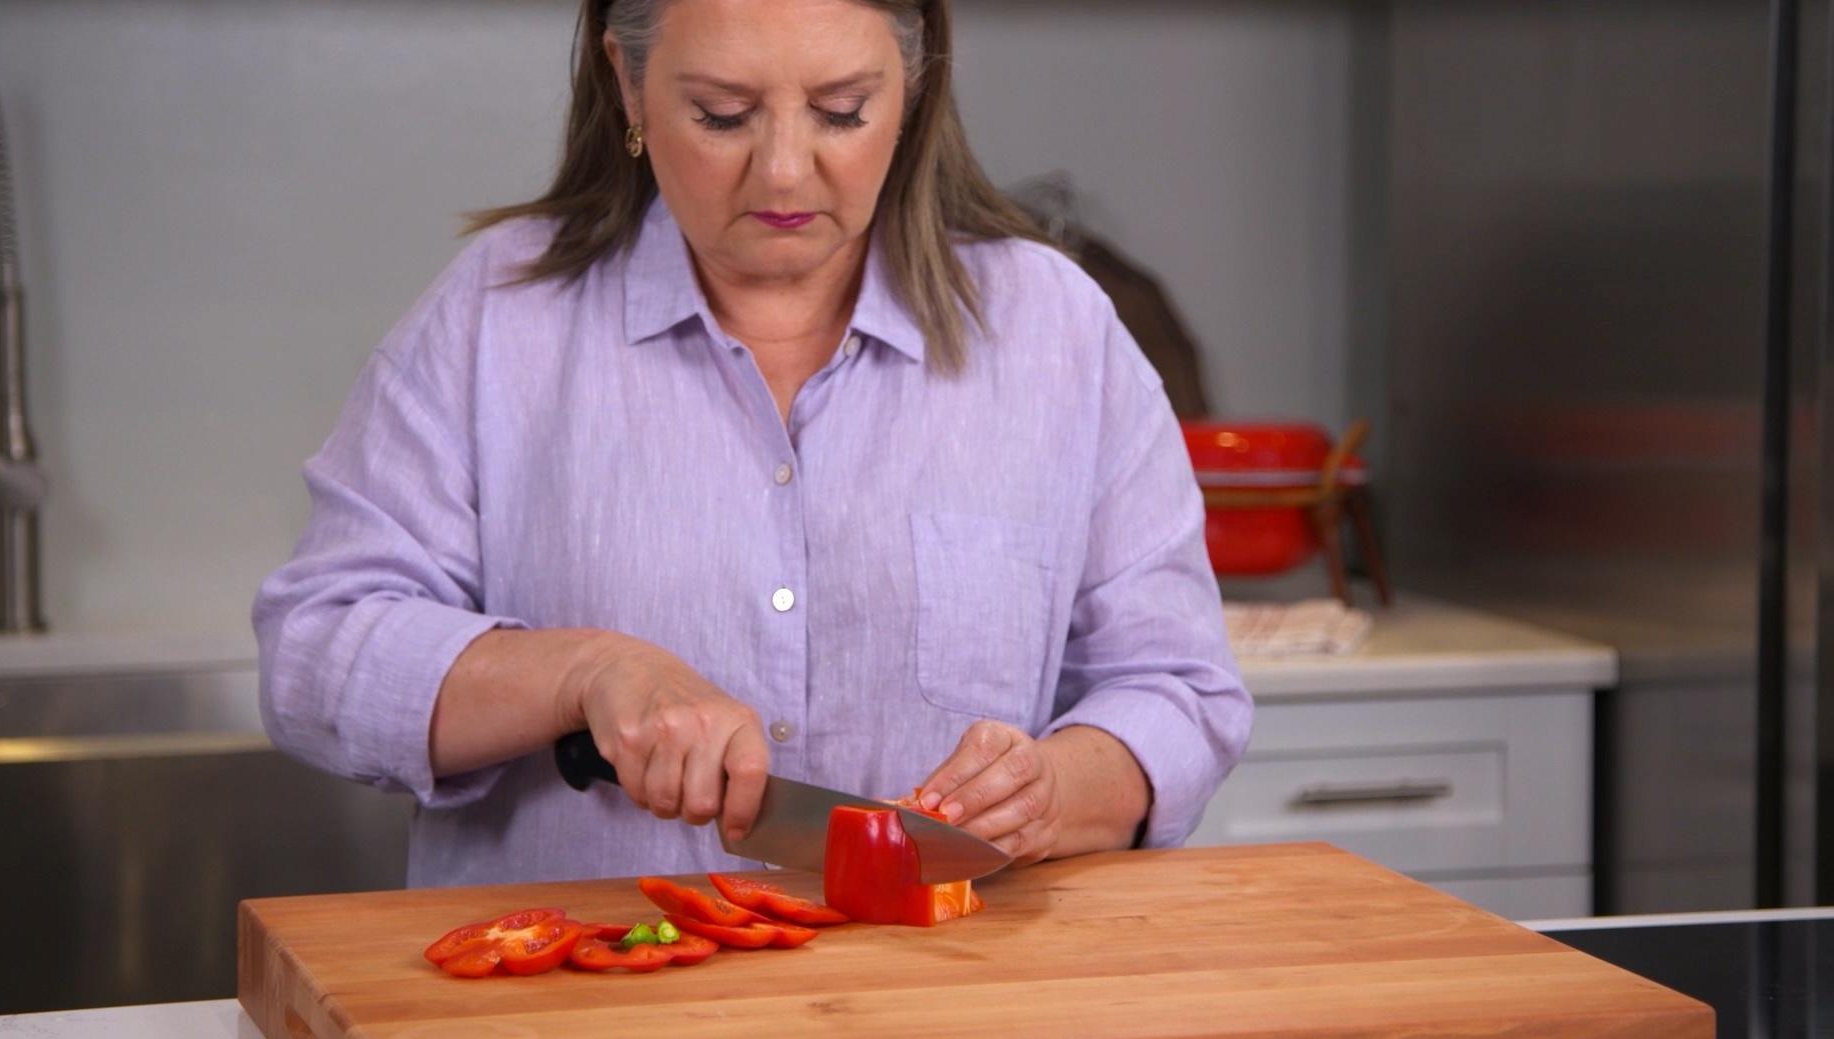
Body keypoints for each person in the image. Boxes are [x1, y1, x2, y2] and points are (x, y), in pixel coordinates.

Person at [253, 0, 1252, 888]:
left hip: (953, 1019)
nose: (784, 169)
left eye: (842, 110)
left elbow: (1181, 689)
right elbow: (316, 654)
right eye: (723, 115)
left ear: (912, 89)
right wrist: (581, 672)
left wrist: (1057, 787)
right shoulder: (494, 321)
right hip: (574, 1023)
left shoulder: (1057, 331)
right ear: (627, 82)